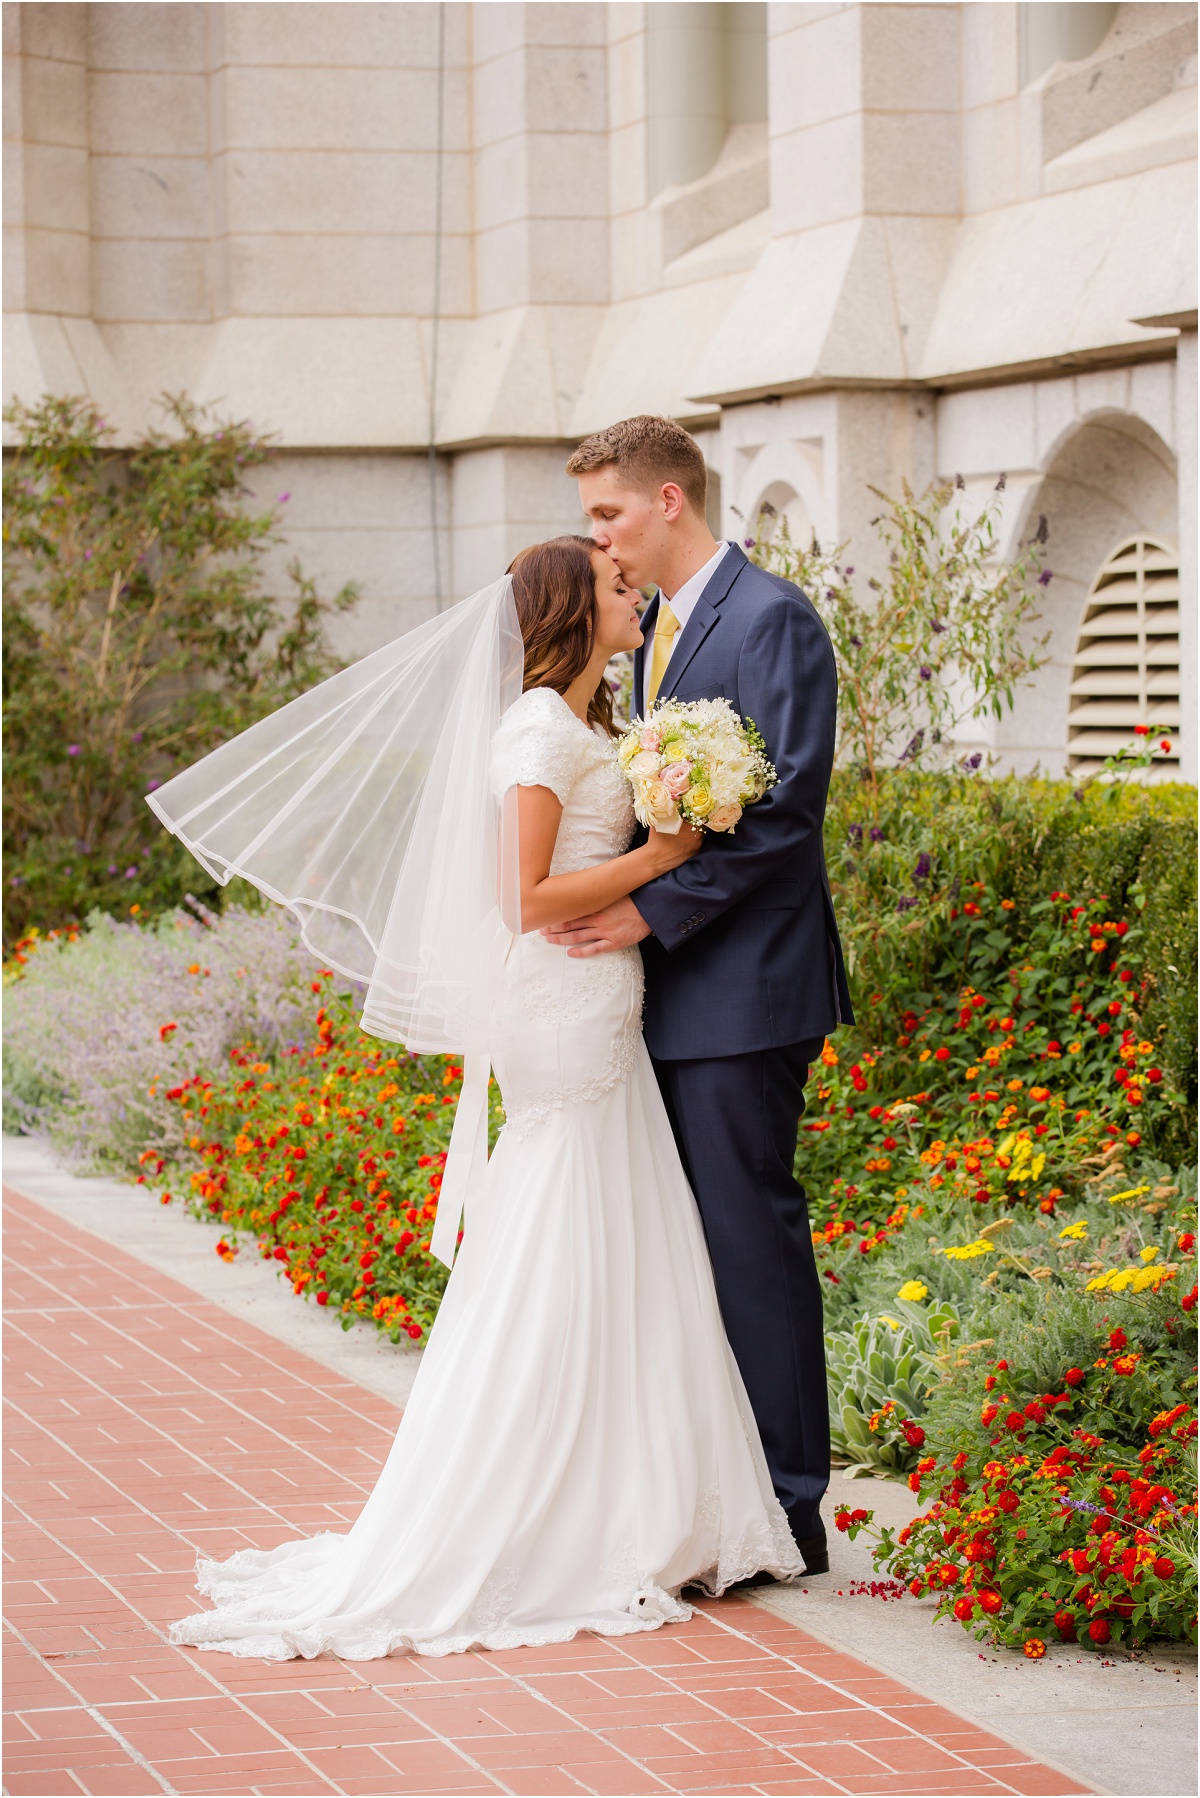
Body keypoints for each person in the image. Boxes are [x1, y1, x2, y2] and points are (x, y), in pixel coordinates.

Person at [157, 536, 802, 1662]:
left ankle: (638, 1498)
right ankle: (548, 1507)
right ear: (567, 608)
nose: (633, 593)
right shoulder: (538, 731)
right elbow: (526, 897)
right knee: (566, 1231)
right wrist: (662, 858)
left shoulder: (589, 722)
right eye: (611, 586)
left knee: (622, 1234)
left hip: (601, 1001)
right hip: (566, 1007)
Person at [551, 416, 853, 1578]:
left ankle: (789, 1505)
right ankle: (711, 1492)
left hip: (748, 992)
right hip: (667, 992)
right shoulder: (653, 633)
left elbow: (782, 815)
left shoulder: (771, 618)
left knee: (746, 1237)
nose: (601, 541)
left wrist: (642, 913)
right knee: (680, 1247)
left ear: (669, 500)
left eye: (609, 515)